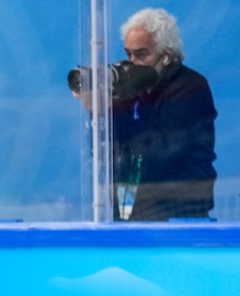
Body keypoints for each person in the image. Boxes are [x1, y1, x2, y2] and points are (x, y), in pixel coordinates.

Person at [74, 8, 217, 221]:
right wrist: (98, 112)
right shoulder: (133, 90)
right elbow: (104, 150)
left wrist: (110, 110)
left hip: (177, 213)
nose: (133, 62)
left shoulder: (190, 87)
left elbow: (159, 152)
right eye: (128, 54)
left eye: (141, 54)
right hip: (129, 209)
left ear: (166, 56)